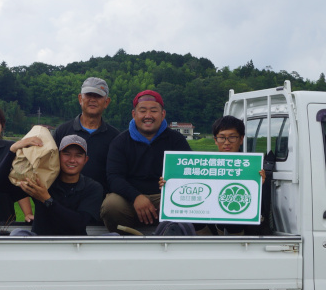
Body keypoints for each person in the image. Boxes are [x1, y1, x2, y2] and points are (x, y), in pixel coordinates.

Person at [158, 115, 265, 235]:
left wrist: (260, 185)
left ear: (241, 139)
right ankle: (206, 246)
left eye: (232, 137)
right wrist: (169, 185)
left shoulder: (253, 167)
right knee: (192, 218)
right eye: (222, 138)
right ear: (215, 140)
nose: (227, 143)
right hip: (209, 224)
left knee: (231, 220)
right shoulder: (203, 165)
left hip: (239, 223)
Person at [101, 89, 191, 232]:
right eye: (142, 111)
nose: (148, 116)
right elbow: (114, 178)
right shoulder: (120, 142)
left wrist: (172, 183)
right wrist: (136, 197)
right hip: (130, 201)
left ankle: (172, 237)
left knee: (187, 201)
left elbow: (189, 175)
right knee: (111, 205)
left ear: (163, 114)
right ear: (134, 114)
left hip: (163, 199)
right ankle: (125, 240)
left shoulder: (177, 141)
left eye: (153, 111)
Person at [0, 134, 104, 235]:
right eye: (66, 154)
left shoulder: (92, 188)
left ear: (85, 160)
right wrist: (12, 150)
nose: (72, 160)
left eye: (78, 155)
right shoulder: (41, 180)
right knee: (17, 233)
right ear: (57, 156)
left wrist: (47, 199)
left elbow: (79, 223)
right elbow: (0, 185)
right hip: (41, 243)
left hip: (75, 246)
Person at [53, 77, 119, 193]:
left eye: (98, 96)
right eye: (88, 95)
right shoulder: (62, 131)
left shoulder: (115, 137)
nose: (92, 100)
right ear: (80, 98)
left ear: (106, 102)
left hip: (102, 201)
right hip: (64, 196)